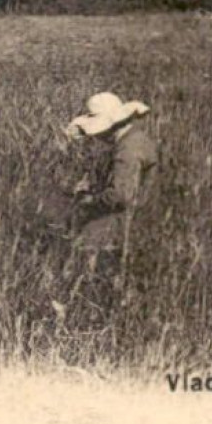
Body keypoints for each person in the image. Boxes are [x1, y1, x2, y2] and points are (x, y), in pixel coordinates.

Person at [42, 91, 160, 326]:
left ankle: (74, 315)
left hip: (123, 221)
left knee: (81, 260)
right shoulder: (136, 140)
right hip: (134, 218)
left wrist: (89, 200)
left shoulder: (127, 149)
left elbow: (122, 195)